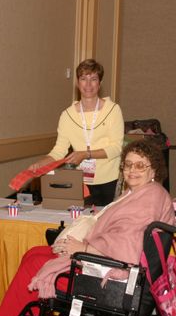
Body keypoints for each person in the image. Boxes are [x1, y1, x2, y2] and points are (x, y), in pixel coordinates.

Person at [0, 139, 175, 316]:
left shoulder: (149, 198)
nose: (132, 170)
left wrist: (83, 248)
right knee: (33, 254)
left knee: (35, 265)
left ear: (154, 170)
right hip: (111, 266)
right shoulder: (140, 192)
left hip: (112, 281)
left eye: (140, 165)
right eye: (128, 164)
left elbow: (128, 247)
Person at [29, 59, 124, 206]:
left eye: (93, 79)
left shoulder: (112, 110)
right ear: (78, 83)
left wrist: (86, 154)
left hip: (109, 180)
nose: (88, 84)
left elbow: (117, 148)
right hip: (80, 181)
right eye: (83, 79)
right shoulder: (67, 115)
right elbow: (59, 151)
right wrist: (40, 163)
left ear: (99, 83)